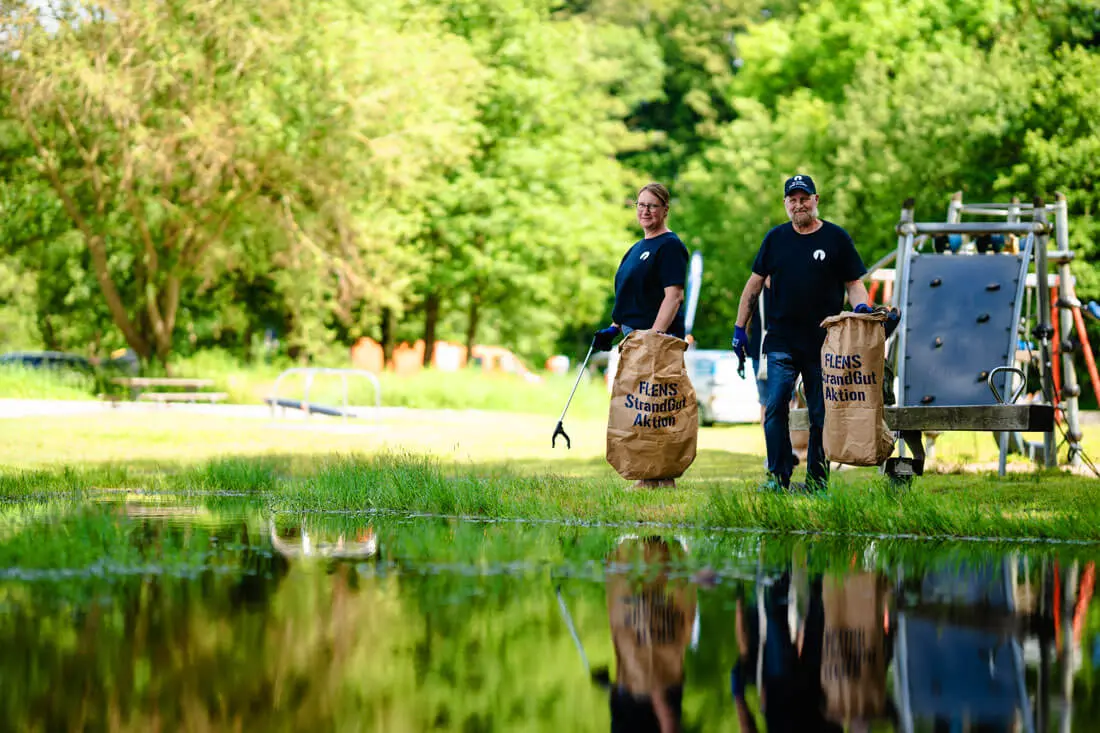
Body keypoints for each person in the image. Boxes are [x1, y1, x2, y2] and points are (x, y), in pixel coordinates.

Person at [731, 175, 870, 492]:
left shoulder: (836, 238)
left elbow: (854, 284)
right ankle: (778, 477)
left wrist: (861, 313)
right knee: (776, 405)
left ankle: (817, 482)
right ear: (785, 204)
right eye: (792, 199)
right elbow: (753, 286)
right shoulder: (776, 239)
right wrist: (740, 329)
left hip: (824, 343)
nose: (798, 204)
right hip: (781, 340)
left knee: (821, 413)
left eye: (804, 198)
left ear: (816, 200)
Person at [593, 183, 690, 489]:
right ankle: (648, 474)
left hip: (655, 343)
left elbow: (673, 296)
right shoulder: (636, 249)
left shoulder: (670, 246)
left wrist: (654, 337)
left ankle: (661, 477)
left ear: (665, 210)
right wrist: (614, 328)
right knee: (640, 411)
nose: (645, 211)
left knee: (657, 410)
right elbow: (629, 296)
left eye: (652, 205)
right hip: (632, 341)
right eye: (640, 205)